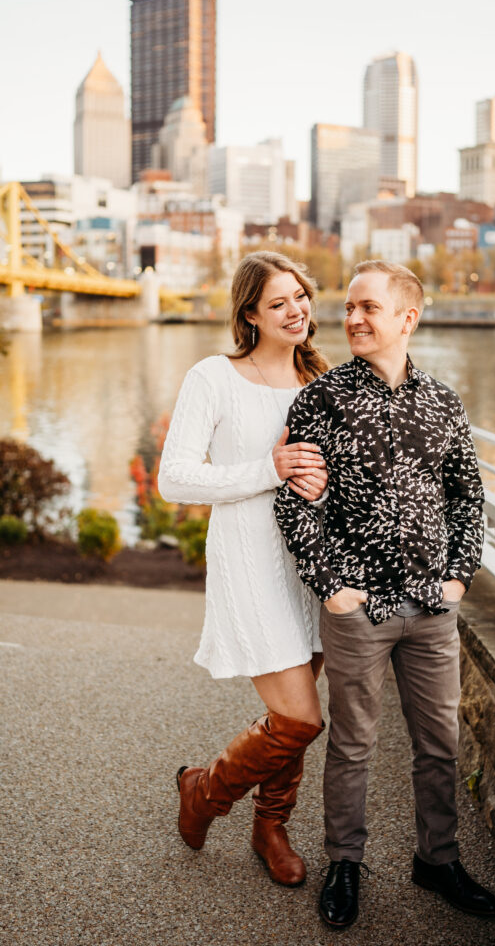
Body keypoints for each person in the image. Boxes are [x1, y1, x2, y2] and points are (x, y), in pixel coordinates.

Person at [274, 260, 495, 927]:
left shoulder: (443, 402)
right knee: (353, 742)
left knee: (439, 742)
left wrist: (459, 575)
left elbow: (467, 496)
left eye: (367, 308)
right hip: (358, 609)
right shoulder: (320, 399)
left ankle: (437, 860)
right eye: (346, 307)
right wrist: (332, 588)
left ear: (407, 317)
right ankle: (344, 863)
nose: (351, 319)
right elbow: (296, 506)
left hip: (433, 606)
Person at [158, 250, 329, 887]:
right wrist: (269, 470)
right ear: (250, 314)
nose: (295, 310)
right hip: (251, 560)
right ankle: (204, 793)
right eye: (278, 302)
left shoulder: (323, 381)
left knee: (300, 711)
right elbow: (174, 477)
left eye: (301, 297)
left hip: (313, 561)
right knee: (299, 719)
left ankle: (271, 825)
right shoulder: (215, 376)